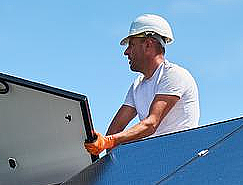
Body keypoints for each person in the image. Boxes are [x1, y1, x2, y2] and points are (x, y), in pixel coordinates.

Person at [85, 14, 199, 155]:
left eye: (131, 45)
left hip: (180, 159)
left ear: (148, 45)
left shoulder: (174, 75)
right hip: (155, 158)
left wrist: (109, 141)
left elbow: (151, 124)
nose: (126, 52)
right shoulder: (137, 85)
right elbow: (115, 131)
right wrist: (103, 144)